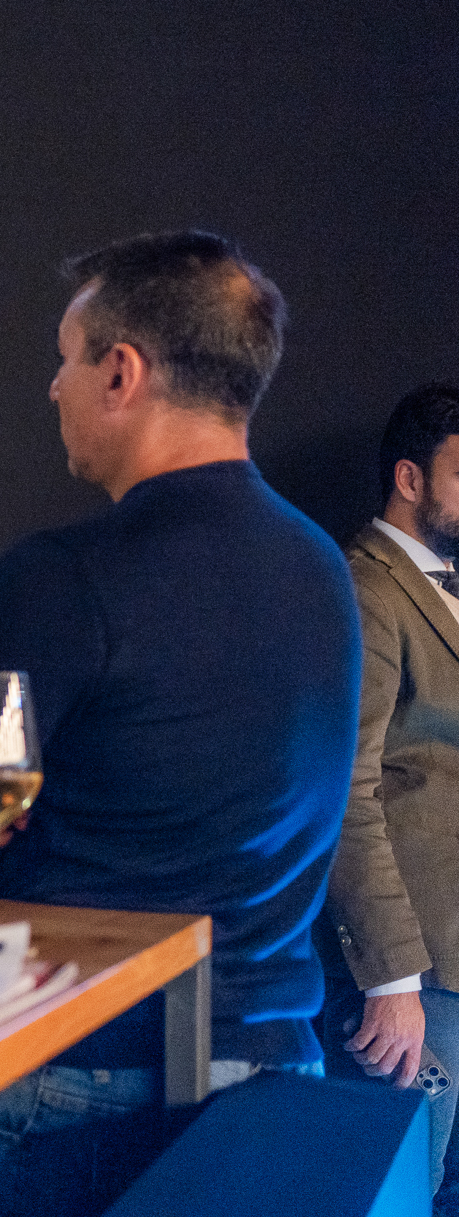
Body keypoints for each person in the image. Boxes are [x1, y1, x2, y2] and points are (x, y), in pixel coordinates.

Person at [0, 230, 360, 1217]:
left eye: (62, 359)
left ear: (119, 371)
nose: (50, 388)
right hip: (274, 1068)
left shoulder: (54, 579)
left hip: (79, 1075)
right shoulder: (321, 569)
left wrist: (11, 817)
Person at [321, 381, 459, 1206]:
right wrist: (392, 980)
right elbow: (346, 787)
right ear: (410, 479)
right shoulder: (364, 588)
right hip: (417, 975)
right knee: (400, 1193)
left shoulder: (443, 583)